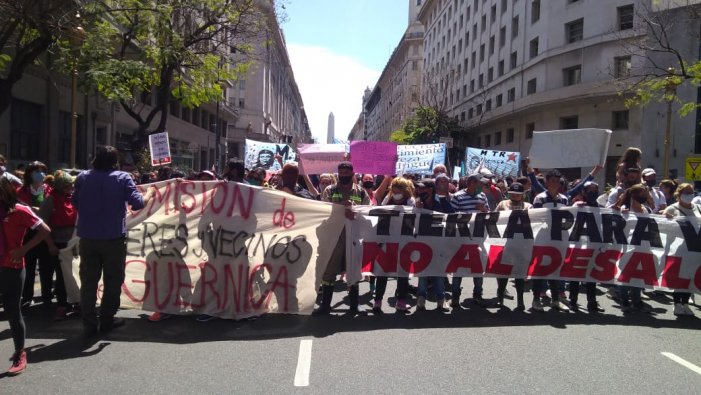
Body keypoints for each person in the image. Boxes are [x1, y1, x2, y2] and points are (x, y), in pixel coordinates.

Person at [73, 146, 154, 336]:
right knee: (113, 280)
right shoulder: (122, 178)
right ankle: (107, 319)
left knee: (89, 282)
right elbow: (138, 203)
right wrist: (149, 194)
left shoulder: (83, 177)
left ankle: (89, 323)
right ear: (114, 161)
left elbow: (75, 202)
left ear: (95, 159)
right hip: (113, 239)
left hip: (88, 238)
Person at [0, 177, 51, 375]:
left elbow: (45, 230)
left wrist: (23, 249)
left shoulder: (19, 210)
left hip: (11, 267)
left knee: (13, 312)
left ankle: (20, 352)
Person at [315, 161, 369, 316]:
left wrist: (355, 212)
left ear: (352, 173)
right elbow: (324, 209)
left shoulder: (361, 192)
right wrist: (340, 207)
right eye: (341, 173)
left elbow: (368, 211)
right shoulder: (330, 190)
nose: (344, 175)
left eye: (347, 173)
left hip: (353, 238)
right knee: (329, 272)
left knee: (353, 270)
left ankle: (354, 305)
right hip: (334, 238)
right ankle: (325, 305)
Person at [38, 170, 78, 320]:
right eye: (68, 186)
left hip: (73, 244)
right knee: (61, 277)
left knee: (74, 274)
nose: (71, 188)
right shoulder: (50, 200)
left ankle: (75, 302)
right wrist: (50, 245)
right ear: (61, 187)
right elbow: (42, 225)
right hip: (58, 244)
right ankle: (62, 304)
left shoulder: (73, 198)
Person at [374, 177, 415, 313]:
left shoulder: (410, 201)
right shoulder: (388, 199)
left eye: (399, 188)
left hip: (404, 242)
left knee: (403, 273)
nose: (396, 191)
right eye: (394, 188)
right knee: (382, 272)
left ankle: (401, 302)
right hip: (387, 241)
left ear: (405, 190)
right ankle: (378, 302)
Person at [531, 170, 570, 312]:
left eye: (557, 181)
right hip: (542, 239)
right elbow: (536, 218)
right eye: (552, 181)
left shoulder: (564, 199)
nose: (554, 184)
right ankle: (536, 299)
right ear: (546, 182)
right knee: (539, 269)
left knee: (555, 268)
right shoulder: (539, 199)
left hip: (558, 239)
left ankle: (555, 300)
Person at [612, 184, 653, 313]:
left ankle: (636, 301)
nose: (644, 196)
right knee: (625, 275)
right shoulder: (625, 209)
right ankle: (624, 300)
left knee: (638, 276)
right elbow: (610, 215)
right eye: (642, 194)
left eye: (645, 194)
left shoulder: (647, 210)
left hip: (643, 247)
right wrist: (618, 212)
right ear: (634, 195)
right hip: (628, 248)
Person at [17, 161, 53, 307]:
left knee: (46, 267)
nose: (40, 174)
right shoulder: (21, 191)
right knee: (29, 266)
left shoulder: (49, 190)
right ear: (29, 174)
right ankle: (26, 296)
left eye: (43, 171)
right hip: (27, 233)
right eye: (36, 171)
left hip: (46, 233)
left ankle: (47, 296)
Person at [450, 174, 489, 307]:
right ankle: (455, 296)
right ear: (471, 183)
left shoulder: (482, 196)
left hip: (478, 238)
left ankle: (477, 295)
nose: (481, 186)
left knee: (478, 267)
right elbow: (451, 217)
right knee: (458, 268)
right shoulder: (458, 197)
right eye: (479, 183)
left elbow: (489, 215)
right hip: (462, 238)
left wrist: (483, 209)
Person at [415, 174, 454, 312]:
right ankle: (421, 299)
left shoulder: (442, 202)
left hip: (439, 242)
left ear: (431, 190)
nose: (420, 192)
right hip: (422, 242)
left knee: (439, 272)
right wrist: (417, 209)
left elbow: (452, 216)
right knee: (423, 272)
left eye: (423, 189)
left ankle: (440, 299)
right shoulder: (417, 203)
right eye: (418, 189)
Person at [494, 182, 531, 310]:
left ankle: (520, 301)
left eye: (518, 194)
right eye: (513, 194)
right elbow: (495, 219)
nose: (515, 196)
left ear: (523, 195)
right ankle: (500, 299)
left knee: (519, 274)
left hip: (522, 244)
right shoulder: (502, 204)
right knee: (503, 273)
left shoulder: (528, 206)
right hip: (505, 243)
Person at [663, 183, 697, 316]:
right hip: (679, 249)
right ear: (679, 193)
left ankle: (686, 303)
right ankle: (677, 304)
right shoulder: (672, 208)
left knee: (690, 276)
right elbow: (663, 220)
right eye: (686, 192)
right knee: (680, 277)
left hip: (695, 249)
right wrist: (666, 217)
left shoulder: (698, 208)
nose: (689, 195)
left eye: (691, 192)